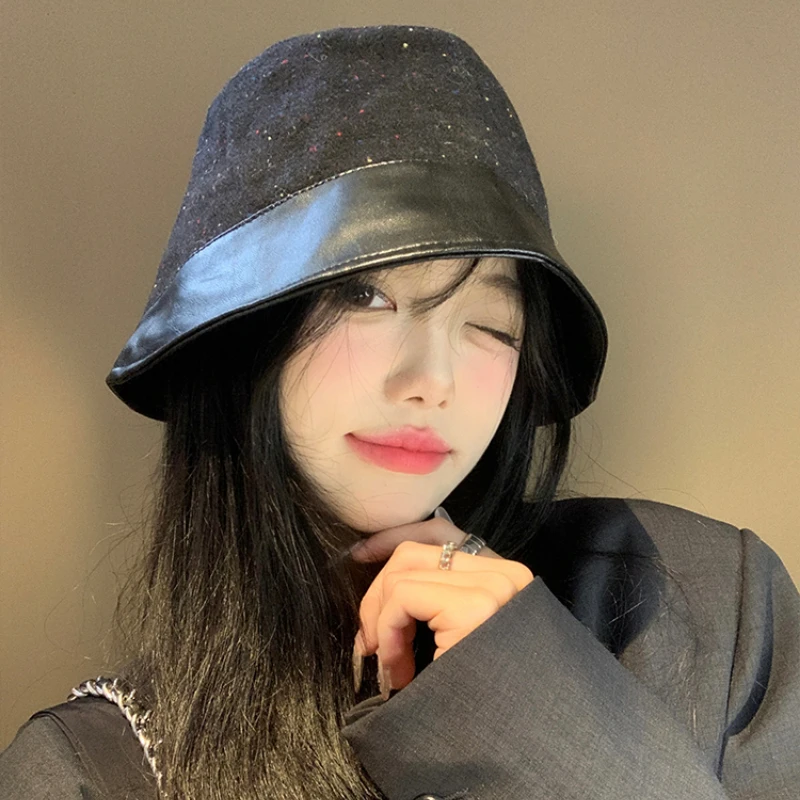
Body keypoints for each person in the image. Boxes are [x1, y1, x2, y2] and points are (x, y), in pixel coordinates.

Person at [1, 23, 798, 800]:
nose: (431, 381)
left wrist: (537, 710)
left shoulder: (705, 611)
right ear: (241, 335)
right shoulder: (92, 772)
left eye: (491, 324)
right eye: (364, 295)